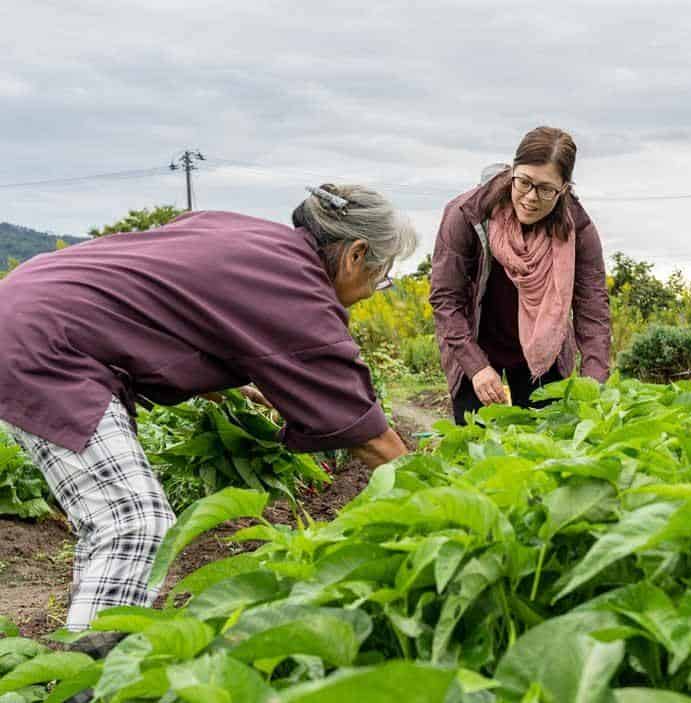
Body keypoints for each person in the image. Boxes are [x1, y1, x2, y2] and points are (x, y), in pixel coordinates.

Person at [0, 184, 415, 633]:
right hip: (42, 344)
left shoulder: (247, 238)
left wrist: (231, 387)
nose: (376, 289)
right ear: (356, 254)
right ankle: (90, 679)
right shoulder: (295, 286)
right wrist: (431, 492)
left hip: (29, 314)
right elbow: (361, 428)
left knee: (110, 521)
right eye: (382, 273)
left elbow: (173, 305)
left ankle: (90, 641)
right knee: (135, 525)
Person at [430, 126, 611, 422]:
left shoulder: (577, 229)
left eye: (546, 189)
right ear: (513, 171)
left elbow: (593, 311)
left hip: (542, 349)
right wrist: (476, 367)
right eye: (524, 182)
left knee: (547, 448)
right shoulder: (467, 214)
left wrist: (595, 385)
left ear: (564, 188)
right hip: (474, 343)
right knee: (475, 445)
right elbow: (446, 299)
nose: (530, 197)